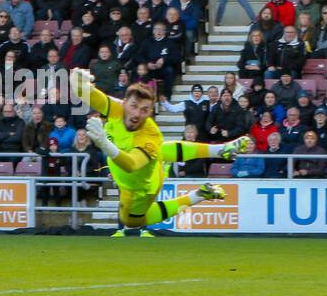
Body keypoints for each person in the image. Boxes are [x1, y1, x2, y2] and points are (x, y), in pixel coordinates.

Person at [70, 68, 242, 237]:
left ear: (150, 112)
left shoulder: (150, 133)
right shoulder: (116, 108)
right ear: (125, 102)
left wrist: (104, 143)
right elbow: (89, 95)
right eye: (134, 106)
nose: (137, 114)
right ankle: (213, 166)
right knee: (159, 152)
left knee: (131, 221)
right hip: (128, 169)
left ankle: (207, 171)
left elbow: (131, 164)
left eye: (144, 110)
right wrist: (77, 80)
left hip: (142, 184)